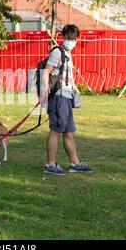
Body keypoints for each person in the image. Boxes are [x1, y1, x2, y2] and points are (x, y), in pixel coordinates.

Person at [39, 24, 93, 175]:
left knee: (69, 132)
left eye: (74, 38)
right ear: (63, 37)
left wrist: (75, 90)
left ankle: (75, 163)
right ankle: (50, 164)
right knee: (55, 131)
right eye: (69, 38)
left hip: (67, 97)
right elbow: (46, 72)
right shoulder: (57, 52)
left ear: (77, 39)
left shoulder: (69, 55)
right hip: (58, 97)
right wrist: (45, 88)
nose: (71, 41)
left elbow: (68, 76)